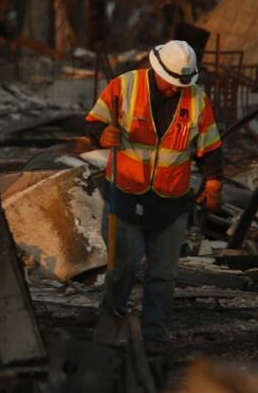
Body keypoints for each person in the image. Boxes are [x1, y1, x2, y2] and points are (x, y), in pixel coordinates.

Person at [85, 40, 223, 347]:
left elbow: (210, 147)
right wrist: (100, 136)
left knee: (162, 275)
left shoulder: (197, 99)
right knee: (123, 269)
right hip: (126, 193)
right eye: (172, 82)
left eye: (182, 83)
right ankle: (111, 328)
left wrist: (213, 182)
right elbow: (94, 123)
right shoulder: (125, 86)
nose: (176, 88)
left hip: (171, 201)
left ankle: (154, 336)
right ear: (156, 69)